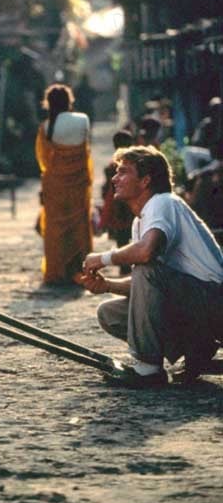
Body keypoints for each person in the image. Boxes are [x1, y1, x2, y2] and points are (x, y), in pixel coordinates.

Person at [76, 145, 223, 389]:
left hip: (214, 301)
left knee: (146, 269)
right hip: (196, 303)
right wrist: (107, 285)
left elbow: (146, 255)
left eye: (123, 172)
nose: (115, 178)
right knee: (109, 313)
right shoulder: (142, 219)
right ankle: (195, 347)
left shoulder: (162, 202)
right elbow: (147, 287)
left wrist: (102, 258)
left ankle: (148, 370)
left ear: (145, 181)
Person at [35, 83, 93, 285]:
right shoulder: (82, 120)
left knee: (55, 231)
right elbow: (87, 153)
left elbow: (43, 161)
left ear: (48, 103)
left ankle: (57, 272)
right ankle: (78, 270)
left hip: (54, 185)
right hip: (78, 184)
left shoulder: (46, 126)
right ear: (70, 101)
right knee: (79, 228)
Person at [99, 129, 134, 275]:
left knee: (122, 236)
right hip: (129, 202)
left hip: (118, 203)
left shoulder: (112, 165)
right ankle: (128, 264)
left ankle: (124, 265)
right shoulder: (135, 161)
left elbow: (108, 185)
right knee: (130, 233)